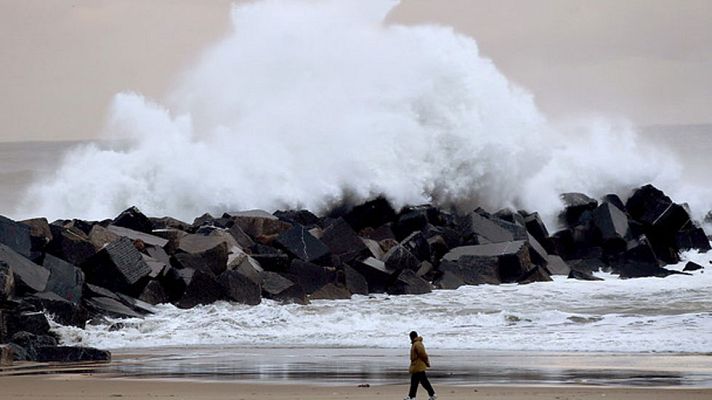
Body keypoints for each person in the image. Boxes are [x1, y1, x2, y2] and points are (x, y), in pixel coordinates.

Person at [404, 331, 437, 400]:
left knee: (422, 382)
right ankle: (412, 396)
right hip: (416, 366)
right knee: (416, 382)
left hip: (418, 366)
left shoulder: (417, 344)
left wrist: (427, 362)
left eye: (410, 337)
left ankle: (432, 395)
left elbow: (423, 354)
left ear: (412, 337)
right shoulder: (415, 343)